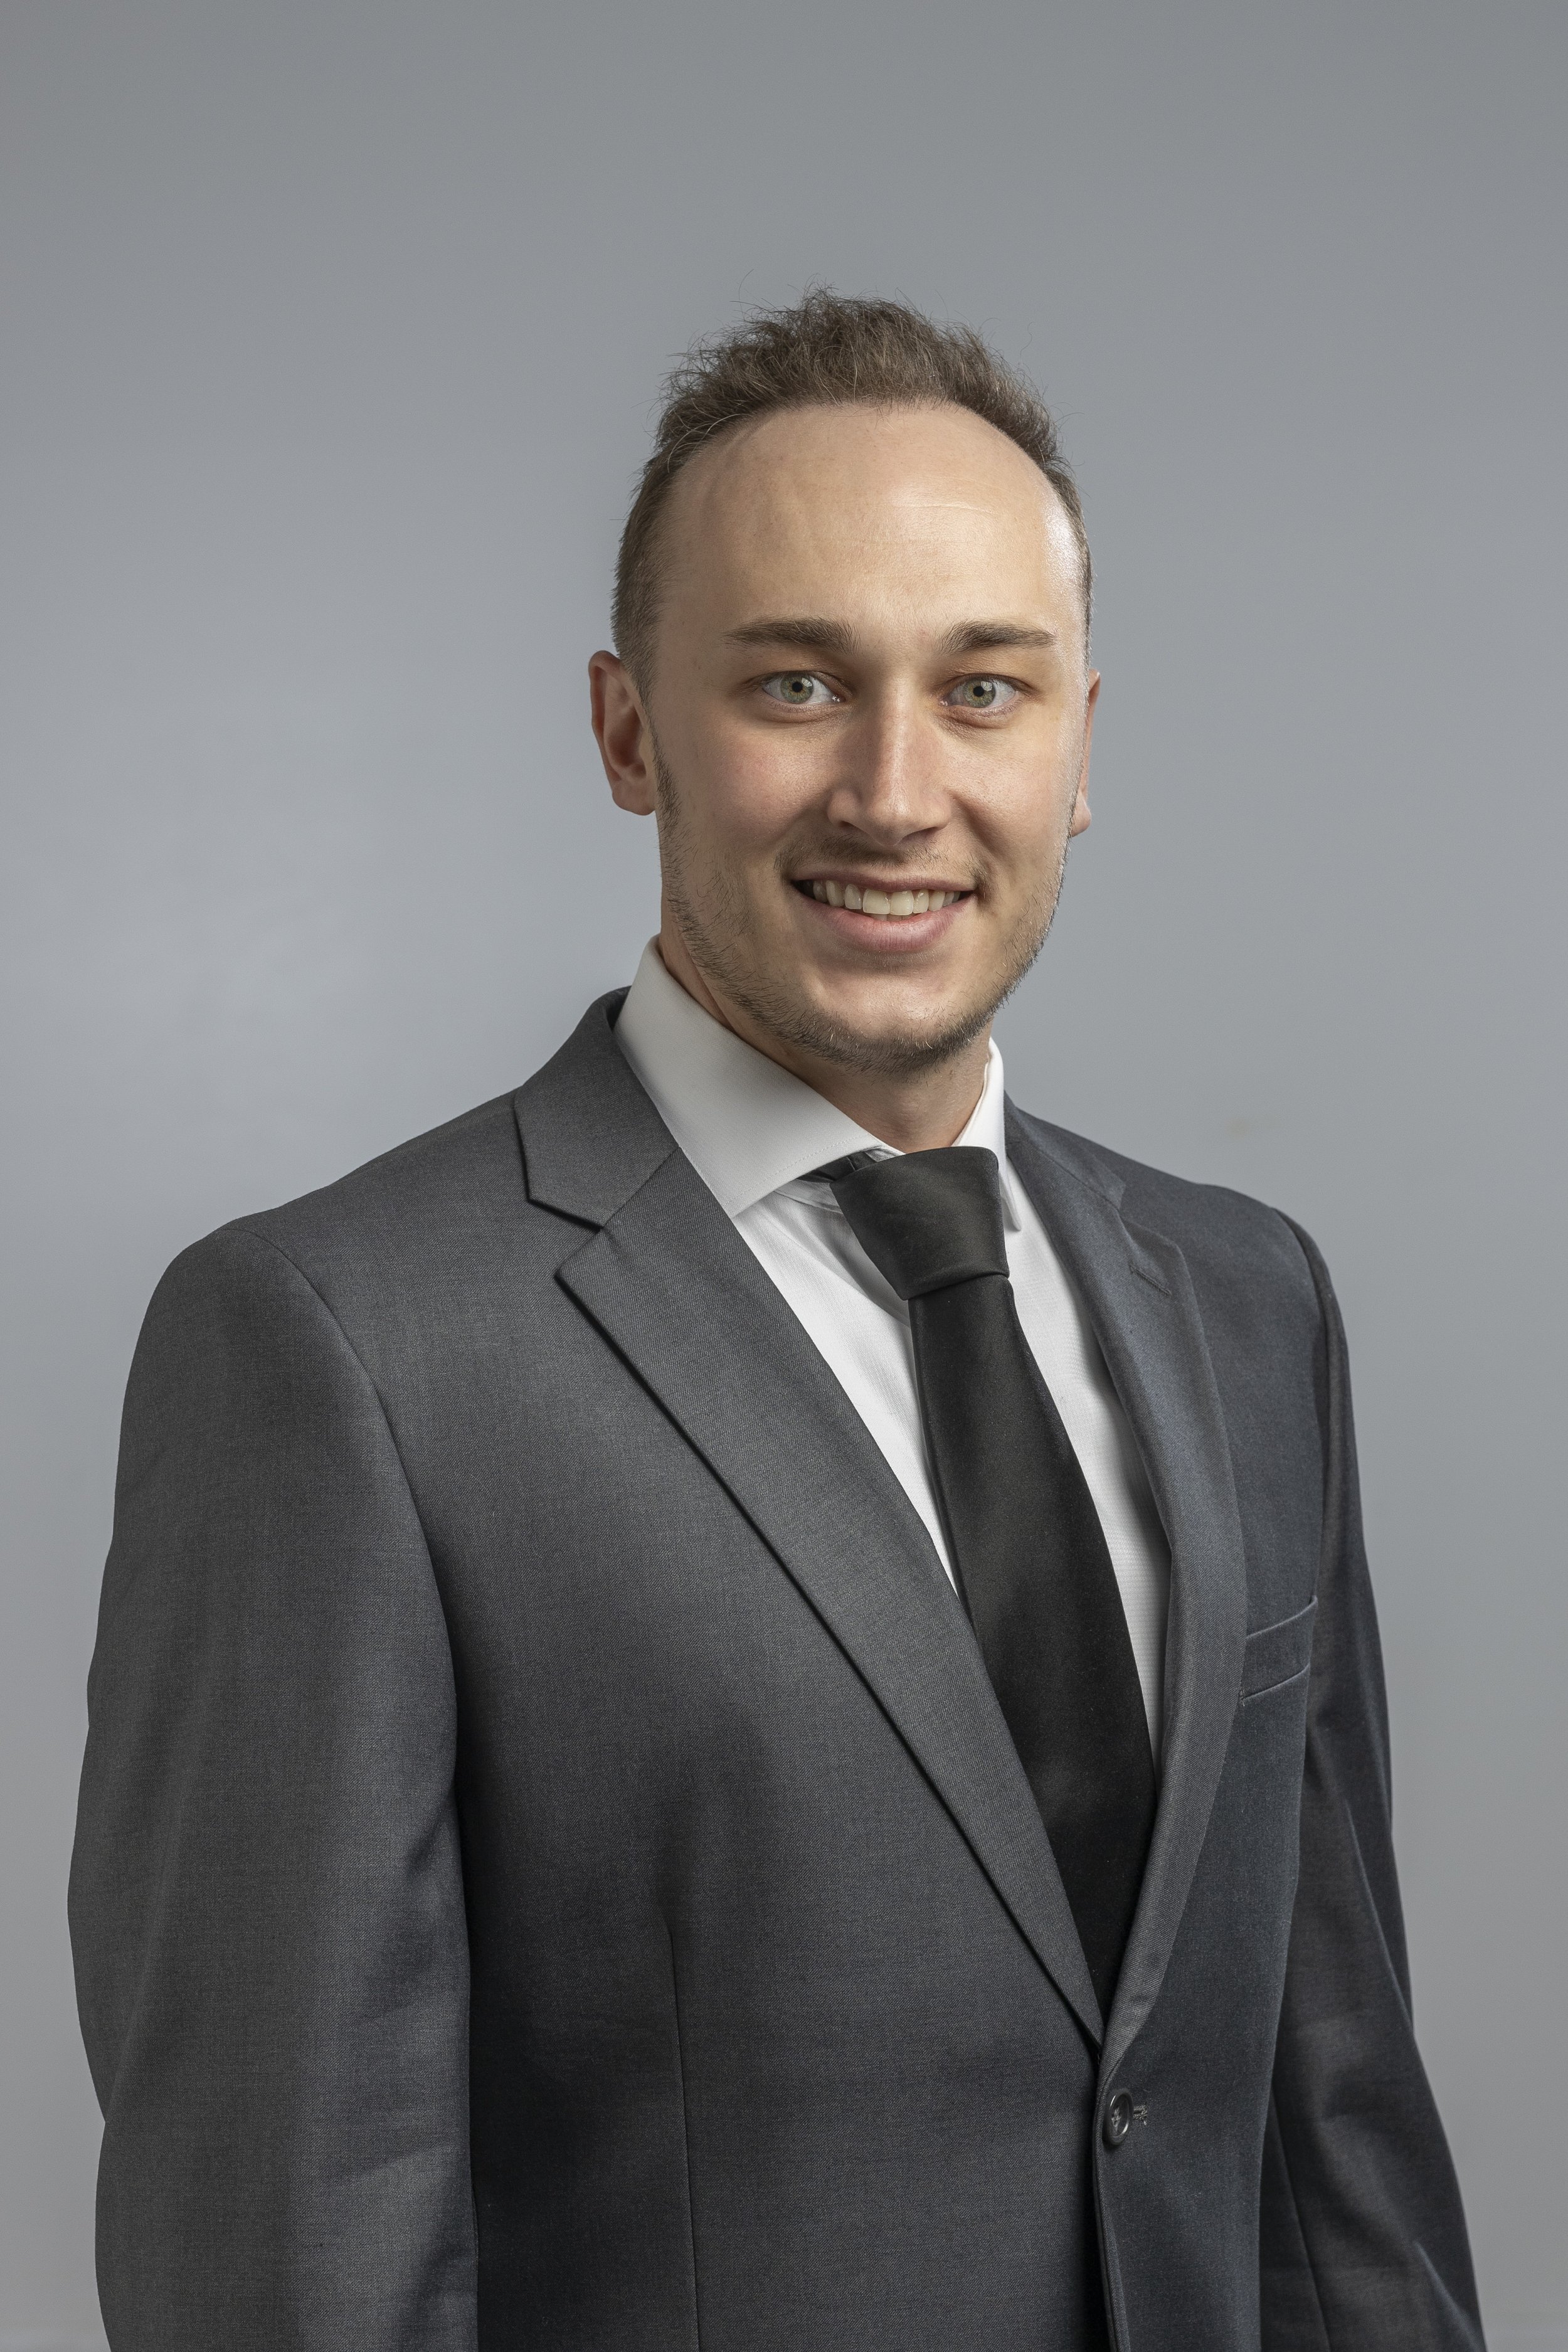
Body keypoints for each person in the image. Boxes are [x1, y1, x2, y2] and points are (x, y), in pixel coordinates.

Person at [70, 292, 1483, 2352]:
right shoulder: (340, 1352)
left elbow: (1329, 2124)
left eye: (983, 689)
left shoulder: (1248, 1302)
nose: (896, 791)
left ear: (1082, 739)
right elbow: (281, 2256)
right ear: (628, 726)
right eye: (798, 682)